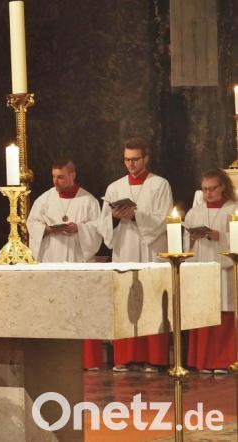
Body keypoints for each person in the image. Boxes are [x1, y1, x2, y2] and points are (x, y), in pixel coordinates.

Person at [98, 137, 173, 372]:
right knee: (126, 301)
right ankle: (126, 357)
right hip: (125, 248)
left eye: (135, 159)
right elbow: (103, 224)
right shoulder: (115, 187)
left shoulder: (160, 185)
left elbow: (164, 218)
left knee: (151, 300)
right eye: (127, 160)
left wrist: (136, 216)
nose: (130, 164)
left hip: (150, 250)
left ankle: (154, 358)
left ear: (146, 158)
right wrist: (114, 217)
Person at [27, 158, 103, 369]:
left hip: (79, 261)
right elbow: (32, 223)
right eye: (53, 176)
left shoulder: (88, 201)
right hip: (52, 259)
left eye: (60, 177)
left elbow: (98, 230)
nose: (56, 181)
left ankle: (87, 360)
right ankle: (54, 358)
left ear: (72, 175)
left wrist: (79, 228)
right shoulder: (44, 200)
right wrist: (47, 229)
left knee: (82, 310)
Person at [184, 169, 237, 374]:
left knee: (224, 313)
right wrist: (191, 238)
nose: (208, 193)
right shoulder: (194, 213)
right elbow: (184, 243)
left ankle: (223, 361)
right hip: (202, 269)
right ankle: (204, 361)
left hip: (225, 270)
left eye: (212, 188)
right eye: (205, 189)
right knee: (203, 313)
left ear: (223, 186)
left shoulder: (233, 210)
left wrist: (220, 236)